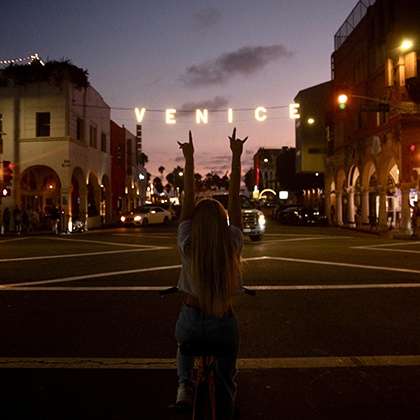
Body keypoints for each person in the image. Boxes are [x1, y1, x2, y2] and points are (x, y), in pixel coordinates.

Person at [175, 128, 246, 418]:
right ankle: (225, 407)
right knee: (227, 380)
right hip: (223, 324)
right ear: (222, 222)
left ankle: (184, 384)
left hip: (191, 322)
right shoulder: (231, 243)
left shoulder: (187, 242)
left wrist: (189, 158)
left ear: (195, 223)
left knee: (184, 346)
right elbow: (235, 200)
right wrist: (236, 157)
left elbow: (187, 201)